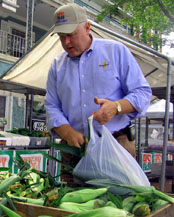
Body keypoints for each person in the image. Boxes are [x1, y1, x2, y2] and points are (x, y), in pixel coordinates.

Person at [44, 3, 152, 183]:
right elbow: (51, 105)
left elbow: (142, 92)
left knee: (119, 205)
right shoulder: (57, 66)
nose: (66, 43)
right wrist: (68, 132)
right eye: (61, 37)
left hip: (116, 146)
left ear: (87, 27)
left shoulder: (116, 51)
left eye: (70, 35)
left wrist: (116, 107)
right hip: (73, 151)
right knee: (70, 205)